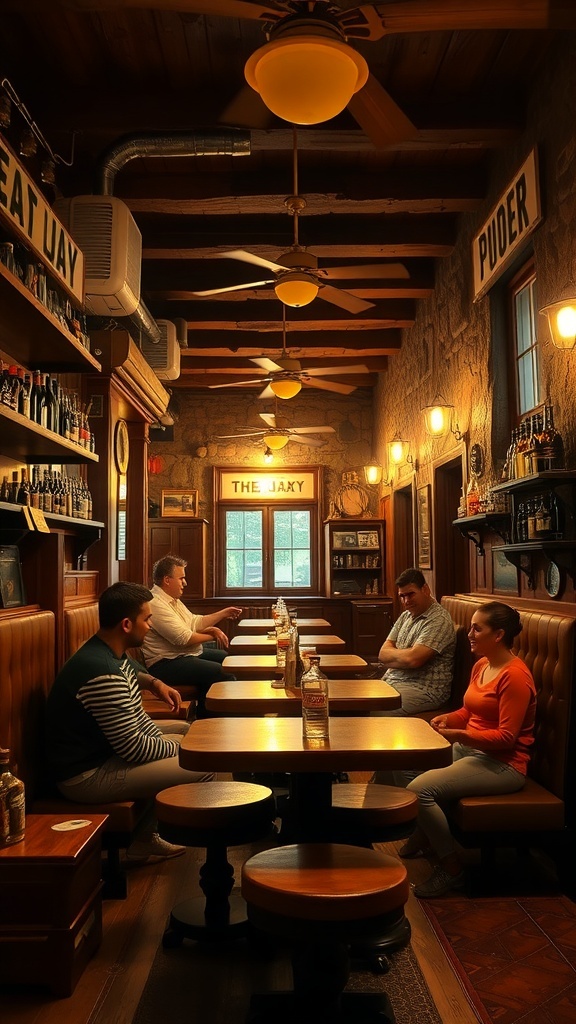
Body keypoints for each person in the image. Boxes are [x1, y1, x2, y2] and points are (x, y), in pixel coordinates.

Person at [46, 582, 215, 863]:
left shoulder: (108, 651)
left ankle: (147, 836)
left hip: (105, 755)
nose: (150, 626)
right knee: (201, 766)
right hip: (86, 776)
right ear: (126, 624)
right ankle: (181, 838)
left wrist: (155, 683)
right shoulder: (104, 674)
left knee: (187, 733)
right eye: (147, 619)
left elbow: (136, 713)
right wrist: (182, 749)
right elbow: (134, 749)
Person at [402, 602, 537, 898]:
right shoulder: (482, 664)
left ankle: (452, 870)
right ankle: (425, 835)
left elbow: (506, 738)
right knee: (406, 765)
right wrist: (448, 718)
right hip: (470, 750)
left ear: (498, 635)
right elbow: (469, 710)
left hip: (502, 764)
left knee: (419, 790)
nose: (469, 634)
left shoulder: (515, 676)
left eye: (477, 629)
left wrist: (459, 734)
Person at [141, 555, 243, 718]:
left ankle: (205, 714)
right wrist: (212, 635)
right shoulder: (155, 603)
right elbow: (183, 639)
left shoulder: (172, 600)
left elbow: (194, 622)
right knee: (222, 671)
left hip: (182, 656)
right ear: (167, 580)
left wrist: (224, 613)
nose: (185, 583)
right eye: (181, 578)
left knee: (227, 659)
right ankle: (218, 721)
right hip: (165, 664)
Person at [375, 567, 456, 716]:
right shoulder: (406, 615)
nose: (406, 601)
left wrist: (397, 657)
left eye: (411, 594)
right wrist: (406, 656)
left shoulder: (438, 620)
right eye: (402, 596)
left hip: (424, 690)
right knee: (353, 701)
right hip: (394, 681)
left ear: (425, 590)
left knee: (375, 711)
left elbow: (413, 660)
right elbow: (382, 654)